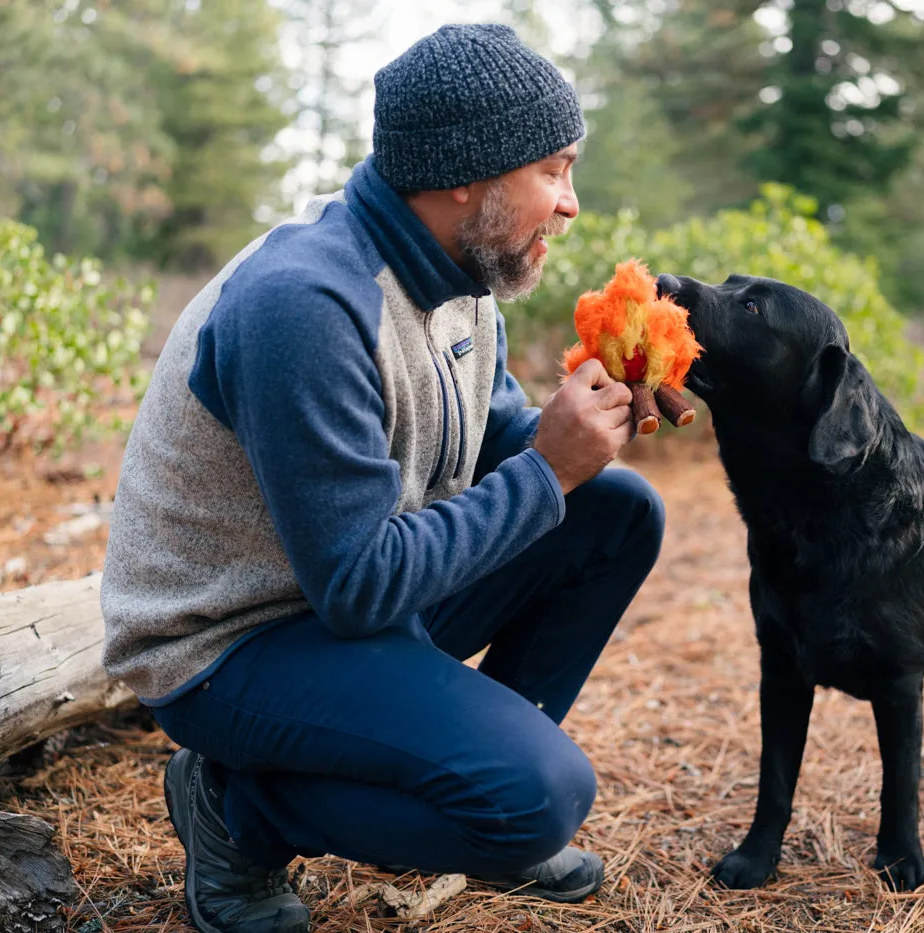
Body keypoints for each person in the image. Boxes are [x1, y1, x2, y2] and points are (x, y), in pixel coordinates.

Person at [100, 23, 664, 933]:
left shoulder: (464, 269)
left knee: (615, 511)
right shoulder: (306, 303)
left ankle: (469, 779)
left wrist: (584, 423)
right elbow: (358, 584)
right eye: (553, 171)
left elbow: (486, 434)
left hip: (343, 598)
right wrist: (549, 467)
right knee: (536, 797)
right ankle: (238, 811)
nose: (569, 206)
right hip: (230, 640)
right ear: (464, 176)